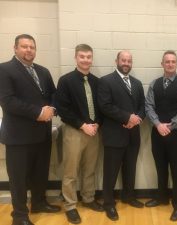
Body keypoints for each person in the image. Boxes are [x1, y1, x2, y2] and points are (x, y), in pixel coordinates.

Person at [0, 34, 60, 225]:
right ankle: (19, 215)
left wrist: (52, 108)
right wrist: (38, 112)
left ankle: (39, 203)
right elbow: (8, 101)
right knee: (18, 178)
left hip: (42, 134)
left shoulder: (43, 71)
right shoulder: (4, 69)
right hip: (19, 136)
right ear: (15, 48)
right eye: (24, 46)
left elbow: (53, 95)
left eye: (32, 47)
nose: (29, 50)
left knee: (40, 173)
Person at [55, 44, 103, 224]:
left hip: (94, 132)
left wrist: (97, 123)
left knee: (90, 169)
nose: (86, 60)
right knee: (70, 171)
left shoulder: (97, 82)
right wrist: (83, 125)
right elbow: (62, 109)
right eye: (82, 56)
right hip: (74, 131)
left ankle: (88, 198)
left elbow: (101, 106)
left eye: (89, 57)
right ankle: (70, 206)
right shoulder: (65, 80)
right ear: (76, 58)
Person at [145, 50, 177, 221]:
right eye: (167, 61)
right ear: (162, 64)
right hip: (157, 132)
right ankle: (162, 197)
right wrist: (158, 124)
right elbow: (149, 106)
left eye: (173, 61)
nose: (170, 64)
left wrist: (170, 126)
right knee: (160, 167)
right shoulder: (154, 84)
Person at [97, 50, 145, 221]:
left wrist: (135, 119)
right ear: (116, 61)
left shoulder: (137, 83)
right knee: (111, 171)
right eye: (123, 60)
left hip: (133, 134)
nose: (126, 63)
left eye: (129, 60)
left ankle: (128, 196)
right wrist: (127, 117)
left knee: (130, 168)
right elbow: (105, 106)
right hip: (114, 134)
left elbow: (142, 107)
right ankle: (108, 203)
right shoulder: (106, 81)